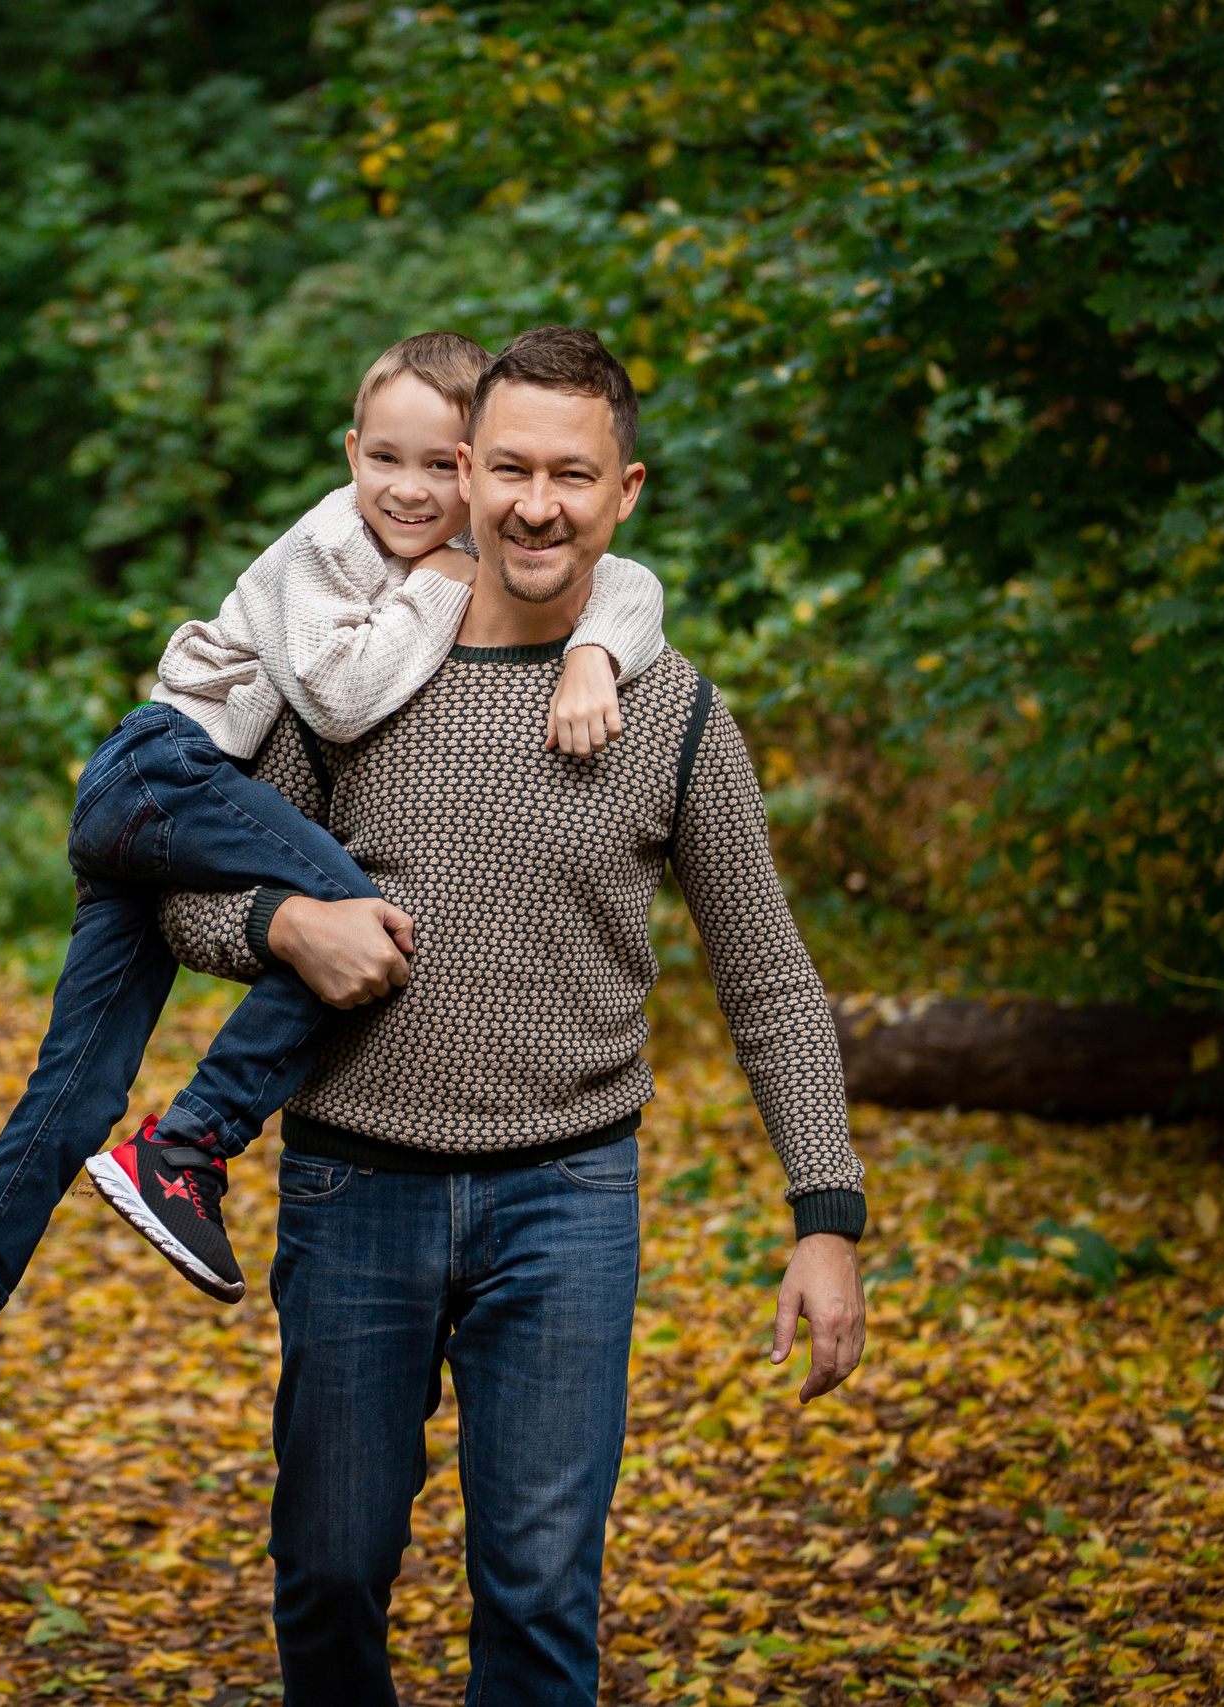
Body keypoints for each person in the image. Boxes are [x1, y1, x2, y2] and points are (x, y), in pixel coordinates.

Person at [0, 332, 671, 1520]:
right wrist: (442, 578)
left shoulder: (486, 531)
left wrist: (590, 650)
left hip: (183, 814)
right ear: (349, 452)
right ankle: (186, 1146)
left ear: (480, 466)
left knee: (69, 1093)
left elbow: (629, 581)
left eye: (443, 467)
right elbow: (334, 697)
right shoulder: (327, 546)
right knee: (370, 910)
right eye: (387, 458)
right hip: (163, 776)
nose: (413, 491)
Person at [152, 325, 869, 1703]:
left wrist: (824, 1213)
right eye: (514, 468)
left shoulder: (672, 713)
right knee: (331, 1570)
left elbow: (770, 972)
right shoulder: (351, 678)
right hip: (356, 1184)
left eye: (575, 476)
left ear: (626, 492)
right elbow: (183, 900)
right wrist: (285, 924)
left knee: (541, 1592)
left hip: (568, 1196)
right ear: (467, 471)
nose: (540, 504)